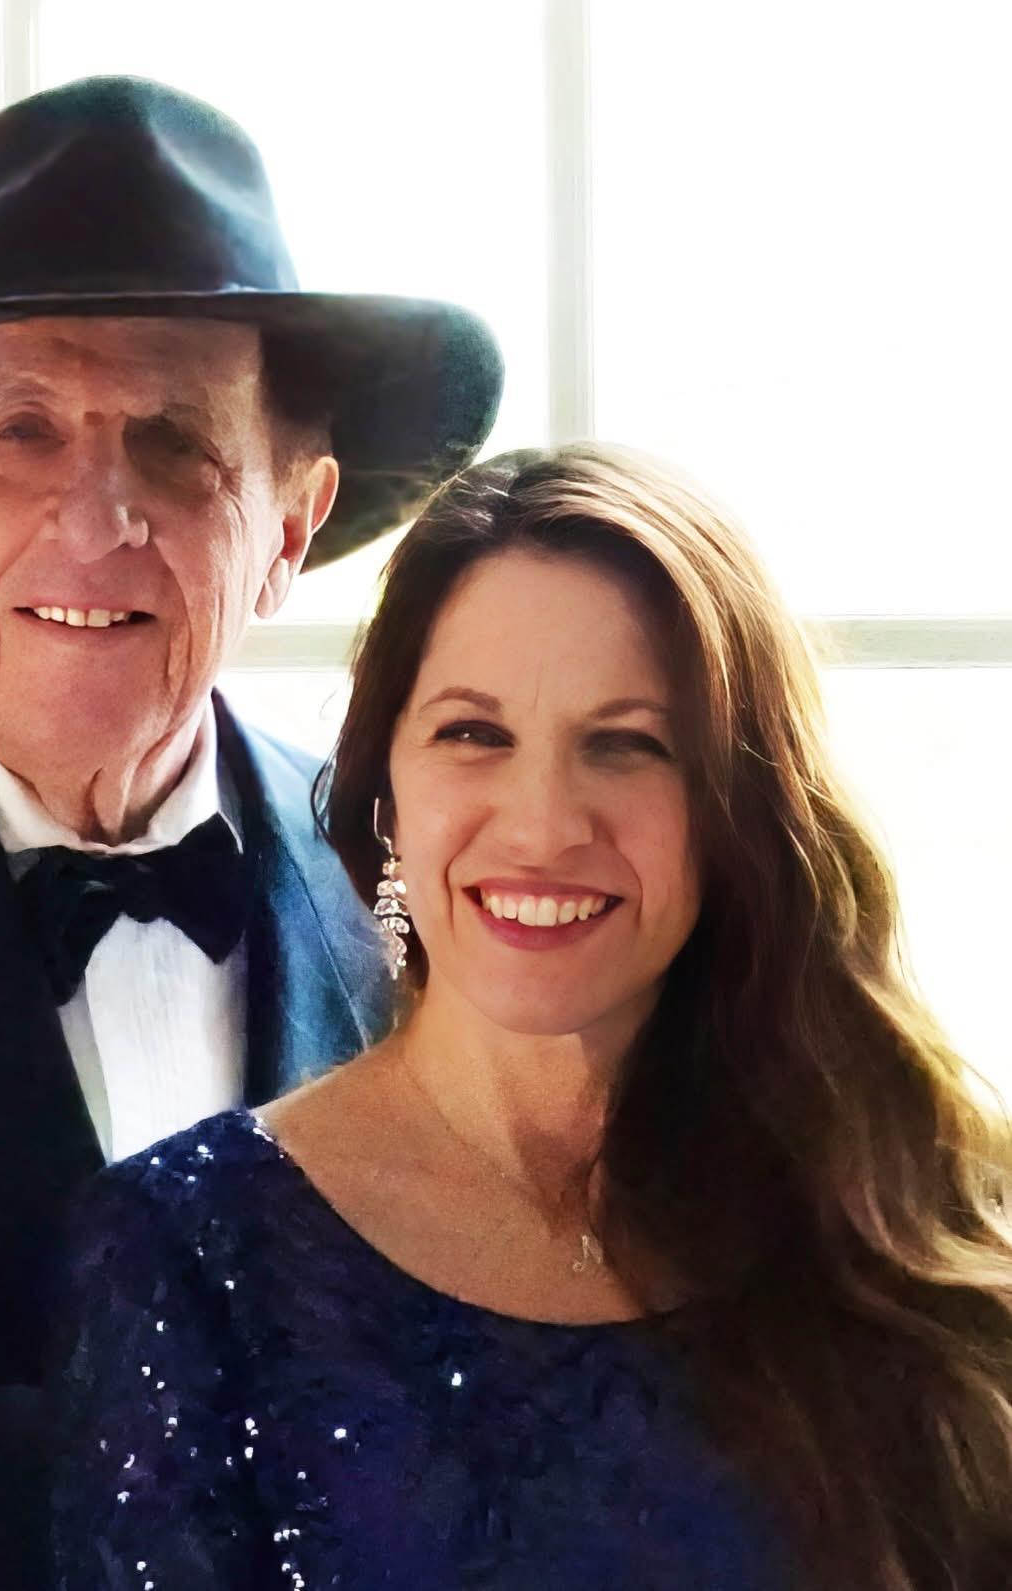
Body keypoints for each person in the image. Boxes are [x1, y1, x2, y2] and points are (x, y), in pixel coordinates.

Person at [0, 77, 502, 1591]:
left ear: (291, 525)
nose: (98, 517)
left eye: (177, 444)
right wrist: (136, 1469)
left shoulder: (405, 872)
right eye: (25, 433)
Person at [52, 442, 1012, 1590]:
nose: (544, 823)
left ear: (733, 811)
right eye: (474, 733)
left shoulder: (909, 1210)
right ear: (385, 790)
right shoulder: (185, 1254)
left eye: (628, 744)